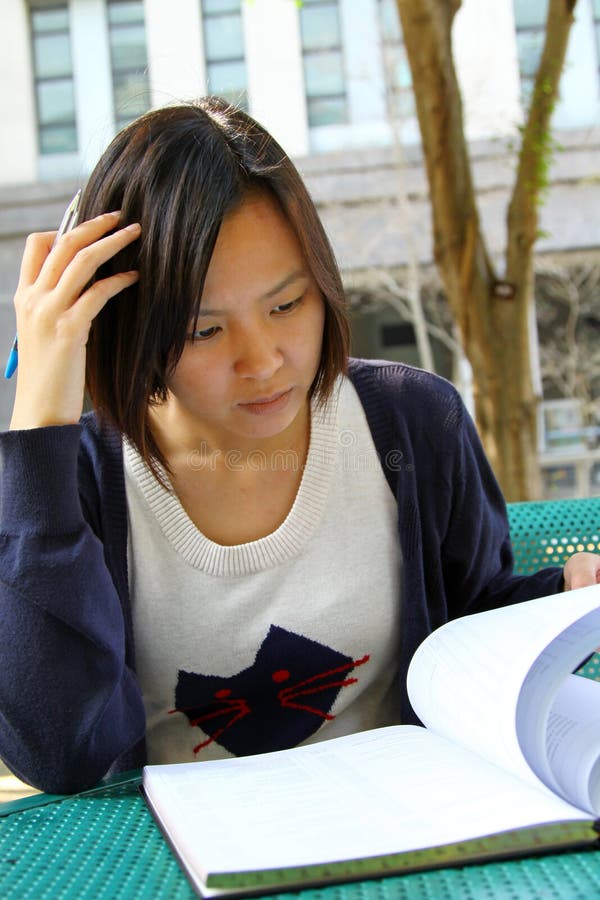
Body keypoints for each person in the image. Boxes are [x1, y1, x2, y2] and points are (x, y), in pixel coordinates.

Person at [1, 97, 598, 795]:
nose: (263, 361)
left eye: (287, 305)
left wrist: (556, 595)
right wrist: (38, 407)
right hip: (180, 859)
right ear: (123, 320)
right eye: (203, 330)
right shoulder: (79, 481)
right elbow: (57, 756)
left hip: (412, 825)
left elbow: (463, 632)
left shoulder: (412, 423)